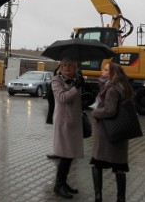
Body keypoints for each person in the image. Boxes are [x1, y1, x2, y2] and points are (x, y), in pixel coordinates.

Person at [91, 62, 134, 202]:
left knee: (98, 164)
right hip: (120, 133)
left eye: (105, 70)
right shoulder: (124, 87)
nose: (102, 72)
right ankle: (121, 197)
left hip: (107, 134)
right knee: (119, 167)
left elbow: (110, 110)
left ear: (112, 73)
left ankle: (98, 195)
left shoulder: (111, 89)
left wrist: (96, 113)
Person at [51, 57, 84, 199]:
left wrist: (85, 91)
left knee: (70, 155)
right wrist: (75, 88)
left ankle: (63, 182)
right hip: (63, 121)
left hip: (74, 121)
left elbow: (78, 99)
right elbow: (62, 98)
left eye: (70, 65)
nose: (67, 67)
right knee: (64, 154)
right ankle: (58, 186)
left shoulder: (77, 79)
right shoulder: (57, 80)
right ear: (60, 66)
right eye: (64, 65)